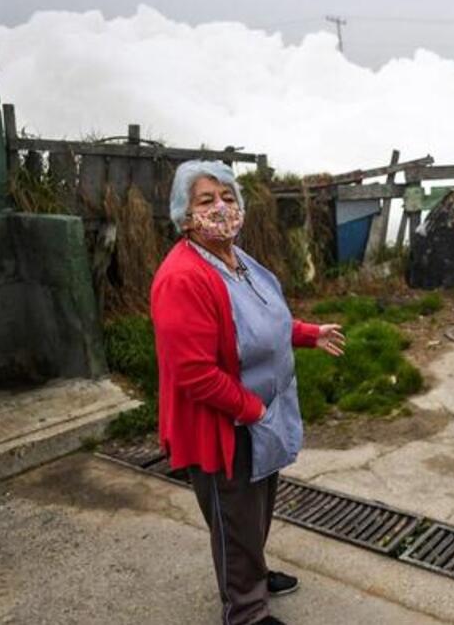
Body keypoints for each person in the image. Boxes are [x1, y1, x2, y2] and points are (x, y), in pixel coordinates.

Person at [151, 160, 345, 625]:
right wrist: (253, 408)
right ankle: (246, 611)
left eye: (228, 197)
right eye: (206, 200)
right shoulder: (183, 277)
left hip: (258, 419)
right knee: (234, 519)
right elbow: (193, 372)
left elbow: (263, 320)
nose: (221, 207)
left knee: (254, 513)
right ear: (184, 216)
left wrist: (306, 333)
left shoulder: (237, 259)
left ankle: (251, 575)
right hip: (223, 425)